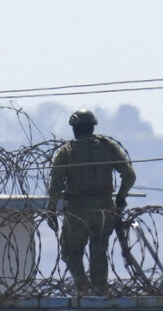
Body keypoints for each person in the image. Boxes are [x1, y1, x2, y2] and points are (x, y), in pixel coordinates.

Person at [46, 109, 136, 296]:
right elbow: (129, 175)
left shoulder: (67, 152)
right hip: (105, 208)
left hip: (78, 210)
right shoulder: (108, 147)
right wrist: (120, 198)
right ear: (92, 126)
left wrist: (51, 210)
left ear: (74, 129)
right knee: (99, 250)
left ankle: (82, 285)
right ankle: (100, 289)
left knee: (70, 251)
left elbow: (55, 186)